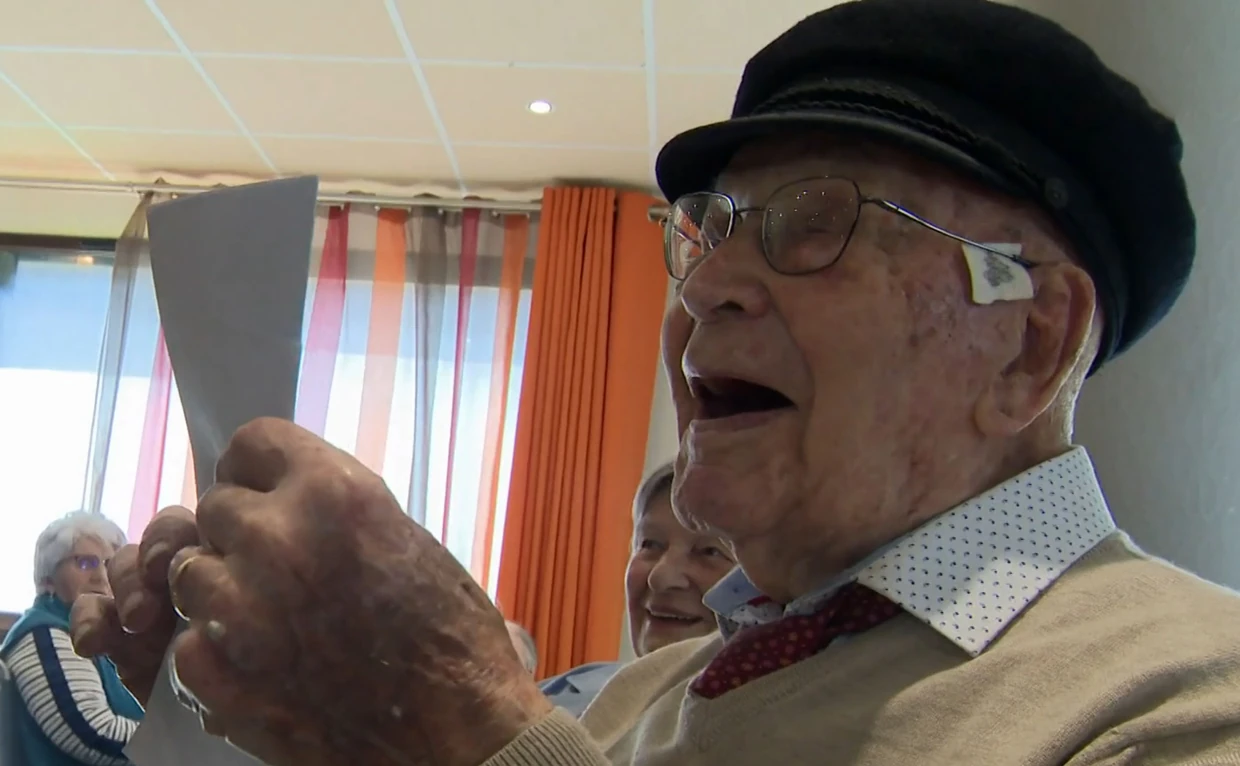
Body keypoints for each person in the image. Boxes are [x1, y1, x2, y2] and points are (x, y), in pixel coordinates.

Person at [69, 1, 1240, 764]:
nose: (708, 284)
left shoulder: (1179, 704)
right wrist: (243, 698)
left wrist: (464, 720)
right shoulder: (652, 693)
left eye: (814, 224)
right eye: (710, 228)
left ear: (1031, 341)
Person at [540, 463, 736, 716]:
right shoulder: (572, 683)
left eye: (709, 552)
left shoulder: (762, 726)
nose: (660, 577)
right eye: (650, 544)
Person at [2, 512, 142, 766]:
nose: (101, 576)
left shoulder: (105, 635)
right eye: (85, 563)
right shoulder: (44, 636)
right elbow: (94, 735)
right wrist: (177, 747)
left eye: (109, 564)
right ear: (47, 579)